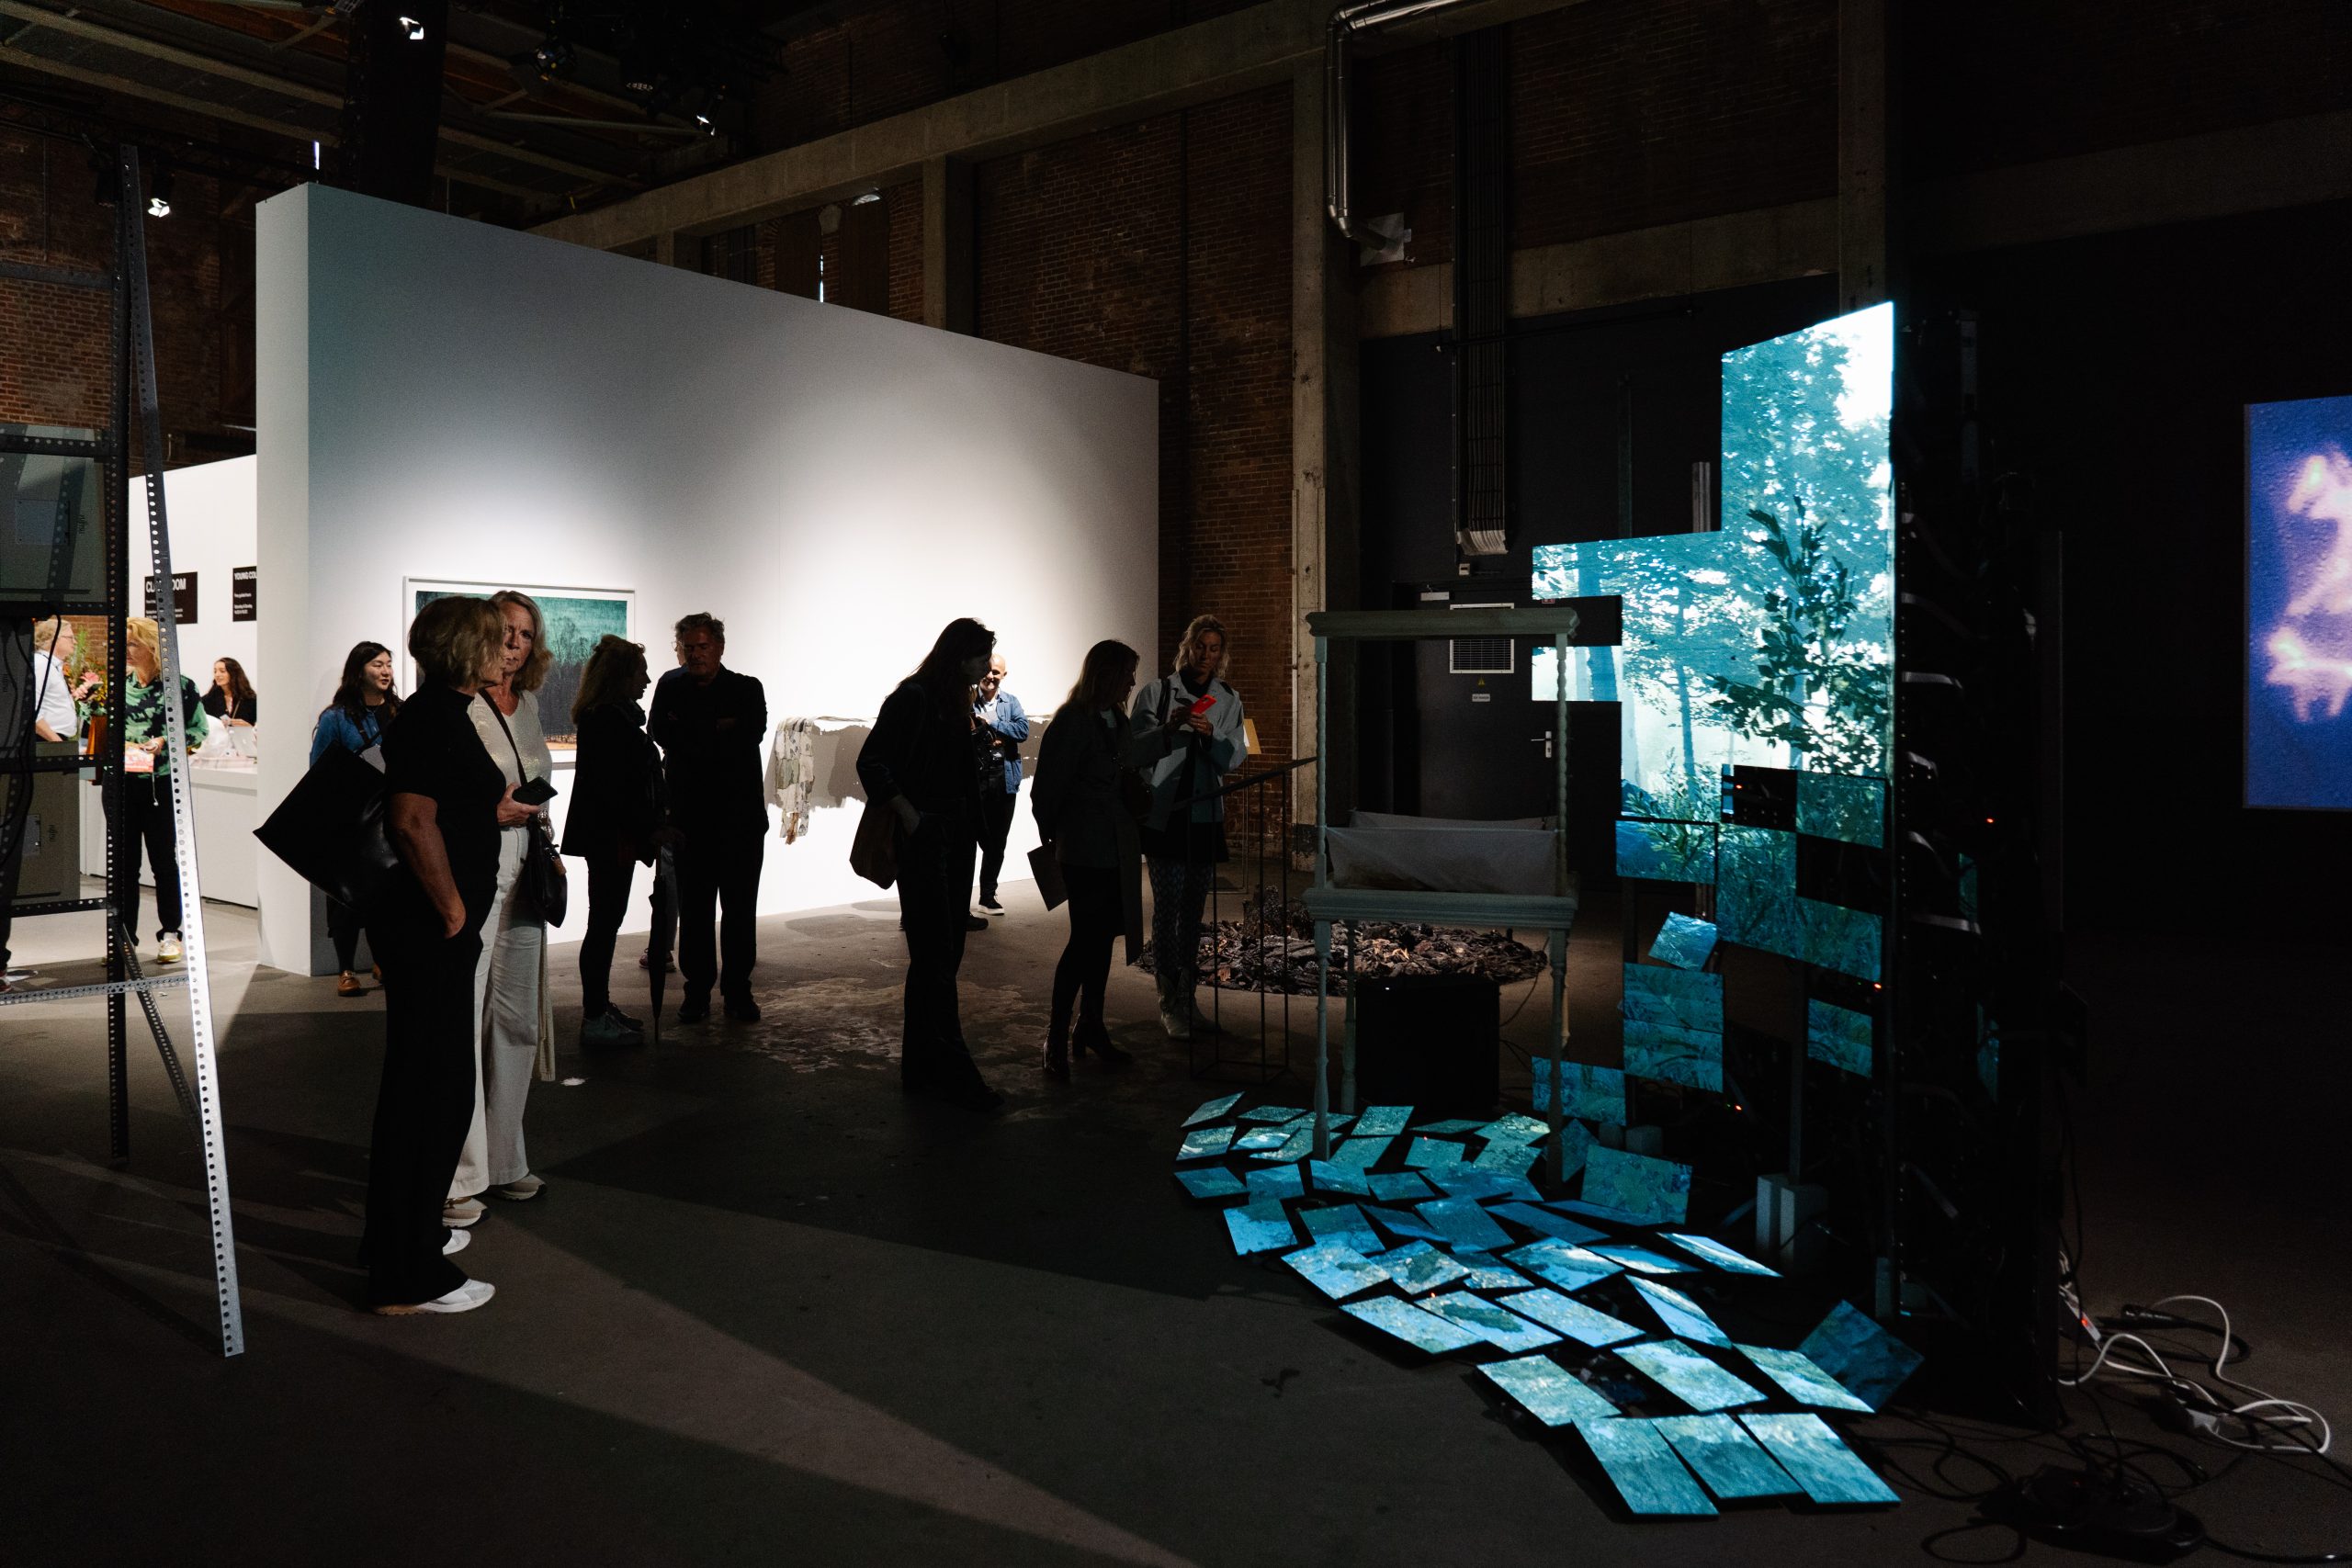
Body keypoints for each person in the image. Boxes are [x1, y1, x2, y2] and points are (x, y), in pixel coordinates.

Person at [363, 594, 525, 1315]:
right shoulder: (433, 716)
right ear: (466, 649)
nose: (507, 650)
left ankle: (402, 1238)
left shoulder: (444, 712)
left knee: (430, 1087)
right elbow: (410, 819)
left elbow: (442, 808)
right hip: (431, 933)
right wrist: (455, 911)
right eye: (495, 639)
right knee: (431, 1092)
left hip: (434, 934)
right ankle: (406, 1276)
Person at [858, 617, 1002, 1111]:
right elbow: (871, 761)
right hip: (926, 840)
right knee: (936, 957)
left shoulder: (954, 700)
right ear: (960, 656)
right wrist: (910, 815)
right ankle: (955, 1072)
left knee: (939, 958)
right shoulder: (913, 698)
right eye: (981, 658)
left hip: (953, 837)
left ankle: (920, 1067)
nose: (987, 667)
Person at [448, 589, 560, 1223]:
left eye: (526, 633)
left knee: (517, 1017)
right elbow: (432, 797)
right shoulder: (462, 704)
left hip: (527, 866)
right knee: (464, 1014)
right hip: (478, 862)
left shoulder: (531, 704)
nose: (515, 643)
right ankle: (459, 1172)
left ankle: (505, 1158)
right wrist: (488, 813)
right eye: (505, 631)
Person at [1030, 639, 1182, 1079]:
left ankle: (1090, 1025)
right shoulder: (1071, 722)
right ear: (1106, 674)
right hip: (1084, 849)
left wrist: (1168, 733)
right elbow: (1046, 790)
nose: (1133, 682)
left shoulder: (1115, 718)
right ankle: (1056, 1035)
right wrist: (1055, 836)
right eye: (1128, 673)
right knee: (1084, 941)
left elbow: (1129, 755)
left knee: (1100, 941)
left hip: (1116, 847)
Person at [649, 612, 768, 1024]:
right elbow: (660, 732)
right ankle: (697, 992)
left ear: (719, 647)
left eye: (702, 646)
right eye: (689, 647)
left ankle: (738, 991)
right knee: (696, 912)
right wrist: (720, 727)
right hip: (690, 823)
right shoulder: (670, 686)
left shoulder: (747, 688)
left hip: (740, 823)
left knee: (740, 911)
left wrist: (690, 730)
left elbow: (751, 731)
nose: (695, 654)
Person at [1132, 615, 1246, 1040]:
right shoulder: (1158, 692)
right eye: (1200, 646)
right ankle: (1168, 1003)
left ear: (1222, 653)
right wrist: (1169, 728)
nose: (1206, 655)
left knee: (1194, 912)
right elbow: (1134, 749)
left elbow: (1235, 757)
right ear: (1188, 646)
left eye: (1214, 648)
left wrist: (1211, 733)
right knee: (1168, 908)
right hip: (1166, 815)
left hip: (1204, 816)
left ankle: (1188, 998)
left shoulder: (1228, 699)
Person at [562, 635, 670, 1045]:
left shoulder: (611, 717)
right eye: (640, 672)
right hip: (612, 838)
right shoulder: (609, 720)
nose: (647, 680)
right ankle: (594, 1016)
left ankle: (600, 1006)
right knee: (604, 925)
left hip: (613, 836)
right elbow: (617, 791)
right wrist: (650, 827)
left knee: (605, 923)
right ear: (622, 675)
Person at [1, 618, 89, 991]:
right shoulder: (38, 664)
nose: (73, 642)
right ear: (51, 639)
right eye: (69, 636)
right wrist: (55, 743)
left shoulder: (52, 666)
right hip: (47, 750)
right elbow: (32, 711)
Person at [311, 641, 402, 998]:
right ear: (359, 670)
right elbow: (319, 770)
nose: (385, 671)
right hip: (350, 819)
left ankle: (384, 961)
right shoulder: (336, 717)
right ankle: (346, 969)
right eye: (377, 664)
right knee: (346, 898)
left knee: (389, 896)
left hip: (392, 816)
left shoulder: (400, 711)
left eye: (388, 664)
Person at [116, 616, 207, 964]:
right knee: (124, 866)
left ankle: (171, 933)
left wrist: (164, 741)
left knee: (163, 862)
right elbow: (99, 727)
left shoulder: (179, 686)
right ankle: (123, 937)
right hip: (122, 784)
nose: (127, 651)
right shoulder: (120, 685)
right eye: (125, 644)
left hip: (161, 785)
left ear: (153, 647)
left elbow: (198, 731)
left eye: (133, 644)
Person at [971, 654, 1030, 918]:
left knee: (997, 843)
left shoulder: (1011, 702)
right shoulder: (968, 701)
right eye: (988, 670)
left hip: (1005, 781)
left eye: (996, 672)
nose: (990, 676)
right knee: (970, 841)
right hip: (975, 782)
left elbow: (1023, 731)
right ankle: (958, 900)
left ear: (1003, 675)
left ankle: (987, 896)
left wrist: (991, 723)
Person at [201, 657, 257, 728]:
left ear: (234, 673)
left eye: (222, 671)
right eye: (215, 671)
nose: (217, 675)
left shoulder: (251, 699)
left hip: (245, 735)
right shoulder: (207, 700)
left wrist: (249, 727)